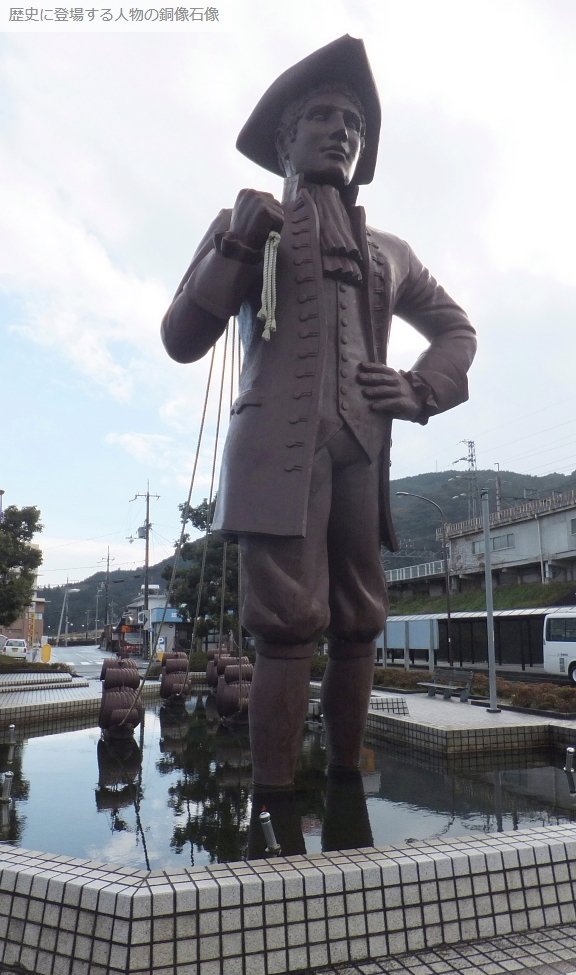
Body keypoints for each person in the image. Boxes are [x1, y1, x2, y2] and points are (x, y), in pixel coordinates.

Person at [162, 36, 476, 789]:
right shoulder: (242, 222)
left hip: (362, 454)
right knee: (284, 626)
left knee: (361, 620)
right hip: (275, 449)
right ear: (286, 139)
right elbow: (182, 337)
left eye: (356, 126)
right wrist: (238, 243)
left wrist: (422, 388)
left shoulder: (392, 253)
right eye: (326, 118)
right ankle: (272, 810)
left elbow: (457, 329)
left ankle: (345, 790)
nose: (343, 132)